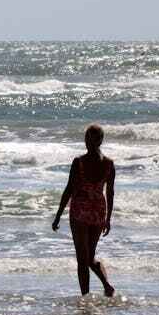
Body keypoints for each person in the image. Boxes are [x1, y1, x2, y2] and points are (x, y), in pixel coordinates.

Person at [52, 124, 115, 297]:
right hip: (97, 213)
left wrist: (58, 216)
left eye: (90, 138)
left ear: (99, 140)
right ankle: (107, 286)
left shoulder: (78, 162)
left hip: (80, 212)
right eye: (87, 138)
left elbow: (69, 190)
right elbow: (109, 193)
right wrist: (107, 218)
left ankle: (85, 298)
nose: (88, 142)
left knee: (83, 260)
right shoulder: (109, 164)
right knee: (89, 257)